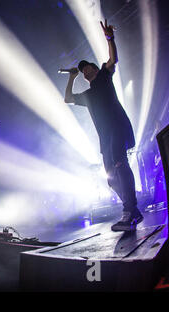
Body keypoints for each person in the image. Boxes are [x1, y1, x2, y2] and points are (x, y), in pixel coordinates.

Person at [64, 19, 142, 232]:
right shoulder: (88, 96)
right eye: (83, 71)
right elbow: (68, 99)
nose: (86, 71)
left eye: (88, 67)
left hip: (118, 127)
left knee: (120, 164)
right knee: (110, 179)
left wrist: (110, 38)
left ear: (95, 68)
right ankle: (132, 209)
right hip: (105, 139)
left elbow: (112, 59)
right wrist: (71, 77)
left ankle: (129, 210)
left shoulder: (105, 77)